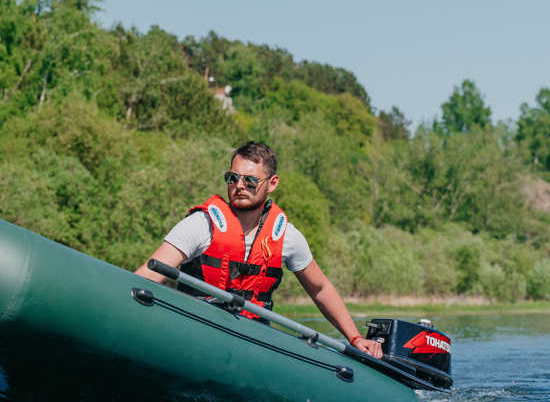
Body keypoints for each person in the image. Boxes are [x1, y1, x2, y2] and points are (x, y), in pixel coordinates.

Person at [134, 141, 383, 359]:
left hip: (252, 340)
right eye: (233, 178)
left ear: (271, 183)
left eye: (250, 180)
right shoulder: (201, 225)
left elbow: (320, 289)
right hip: (196, 332)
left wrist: (354, 337)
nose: (239, 186)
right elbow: (149, 274)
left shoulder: (287, 237)